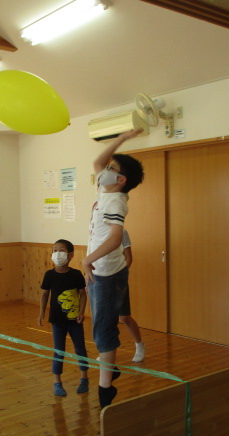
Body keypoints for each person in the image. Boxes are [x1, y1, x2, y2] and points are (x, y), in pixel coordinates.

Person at [82, 129, 145, 408]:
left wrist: (87, 259)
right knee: (101, 327)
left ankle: (105, 389)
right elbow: (98, 162)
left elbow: (116, 238)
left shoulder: (116, 201)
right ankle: (111, 372)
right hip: (101, 270)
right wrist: (121, 140)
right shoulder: (104, 189)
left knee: (103, 331)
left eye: (112, 168)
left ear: (121, 180)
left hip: (107, 273)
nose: (104, 170)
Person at [38, 239, 89, 397]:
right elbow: (45, 294)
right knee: (59, 351)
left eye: (61, 250)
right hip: (57, 321)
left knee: (80, 348)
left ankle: (84, 378)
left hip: (75, 320)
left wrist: (81, 312)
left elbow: (82, 294)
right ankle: (57, 382)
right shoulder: (49, 275)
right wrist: (41, 313)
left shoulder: (76, 274)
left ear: (70, 255)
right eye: (55, 250)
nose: (57, 253)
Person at [119, 229, 145, 362]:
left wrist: (121, 274)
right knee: (105, 318)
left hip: (118, 279)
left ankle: (139, 345)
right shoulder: (95, 230)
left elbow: (128, 257)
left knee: (124, 317)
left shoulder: (122, 232)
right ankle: (106, 351)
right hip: (100, 280)